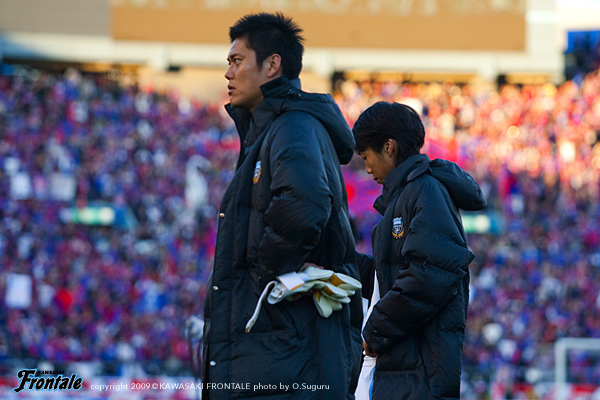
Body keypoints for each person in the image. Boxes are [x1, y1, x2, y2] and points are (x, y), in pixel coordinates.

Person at [202, 12, 363, 400]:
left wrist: (263, 275)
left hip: (287, 355)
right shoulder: (274, 129)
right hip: (279, 351)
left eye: (237, 61)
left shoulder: (293, 127)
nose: (227, 73)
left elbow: (304, 206)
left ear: (272, 65)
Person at [352, 101, 487, 400]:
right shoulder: (407, 194)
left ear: (389, 147)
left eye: (366, 156)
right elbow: (390, 276)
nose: (367, 168)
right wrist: (343, 262)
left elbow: (431, 273)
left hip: (418, 376)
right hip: (404, 372)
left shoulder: (424, 190)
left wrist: (376, 329)